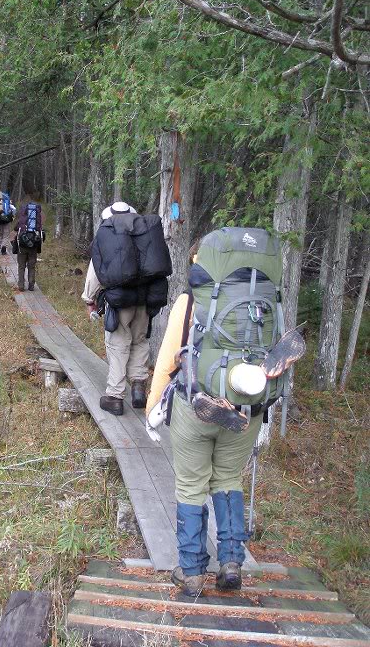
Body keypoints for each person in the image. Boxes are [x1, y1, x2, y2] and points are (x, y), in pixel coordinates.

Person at [146, 229, 295, 597]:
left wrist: (153, 407)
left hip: (197, 405)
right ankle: (230, 563)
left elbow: (168, 358)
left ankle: (193, 572)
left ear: (199, 264)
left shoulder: (190, 302)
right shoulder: (263, 302)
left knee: (191, 483)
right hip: (247, 407)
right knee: (228, 479)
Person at [82, 201, 171, 417]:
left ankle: (114, 396)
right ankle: (139, 386)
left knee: (118, 343)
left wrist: (89, 299)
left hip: (121, 300)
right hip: (144, 299)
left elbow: (95, 272)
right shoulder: (143, 230)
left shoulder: (109, 233)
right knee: (140, 340)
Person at [13, 201, 45, 291]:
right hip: (33, 247)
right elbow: (41, 232)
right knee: (31, 266)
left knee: (21, 266)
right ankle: (31, 285)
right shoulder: (37, 221)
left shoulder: (22, 220)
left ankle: (21, 286)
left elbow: (15, 228)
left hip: (22, 246)